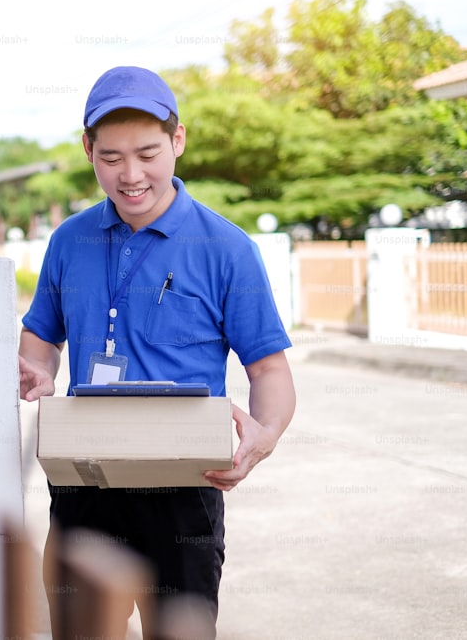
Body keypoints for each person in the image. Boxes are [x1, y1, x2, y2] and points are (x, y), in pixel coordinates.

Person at [18, 66, 296, 639]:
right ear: (88, 150)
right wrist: (38, 372)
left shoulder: (226, 248)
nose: (131, 174)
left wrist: (263, 439)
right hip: (83, 485)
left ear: (178, 141)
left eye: (147, 153)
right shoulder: (69, 241)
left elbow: (268, 369)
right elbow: (41, 337)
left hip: (184, 490)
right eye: (112, 158)